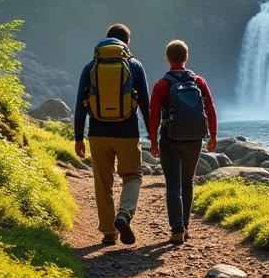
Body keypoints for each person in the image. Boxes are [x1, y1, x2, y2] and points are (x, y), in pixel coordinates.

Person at [74, 23, 151, 246]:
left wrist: (78, 137)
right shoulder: (134, 65)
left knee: (102, 182)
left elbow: (80, 104)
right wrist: (152, 135)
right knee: (133, 175)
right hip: (127, 133)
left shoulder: (91, 67)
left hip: (97, 133)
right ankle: (124, 214)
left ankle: (108, 232)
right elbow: (145, 103)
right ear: (127, 42)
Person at [148, 39, 218, 244]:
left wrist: (153, 141)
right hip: (195, 139)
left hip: (170, 139)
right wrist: (212, 135)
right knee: (187, 183)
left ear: (167, 58)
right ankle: (186, 227)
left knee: (173, 185)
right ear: (186, 58)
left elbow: (153, 115)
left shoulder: (161, 84)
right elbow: (210, 108)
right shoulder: (199, 81)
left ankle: (176, 229)